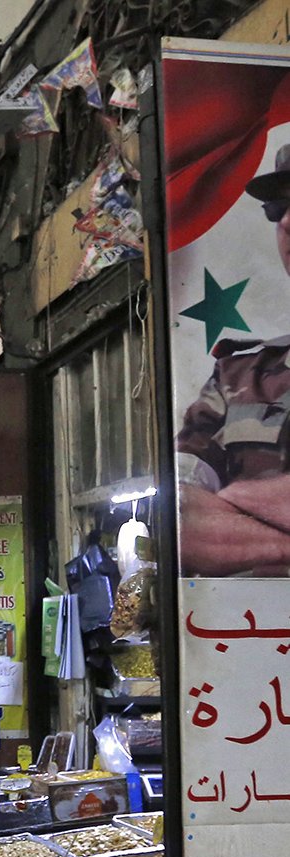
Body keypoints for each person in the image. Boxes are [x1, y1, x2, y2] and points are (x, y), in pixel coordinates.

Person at [177, 143, 290, 575]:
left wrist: (233, 500)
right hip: (252, 636)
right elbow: (179, 515)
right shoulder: (239, 373)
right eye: (277, 206)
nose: (287, 221)